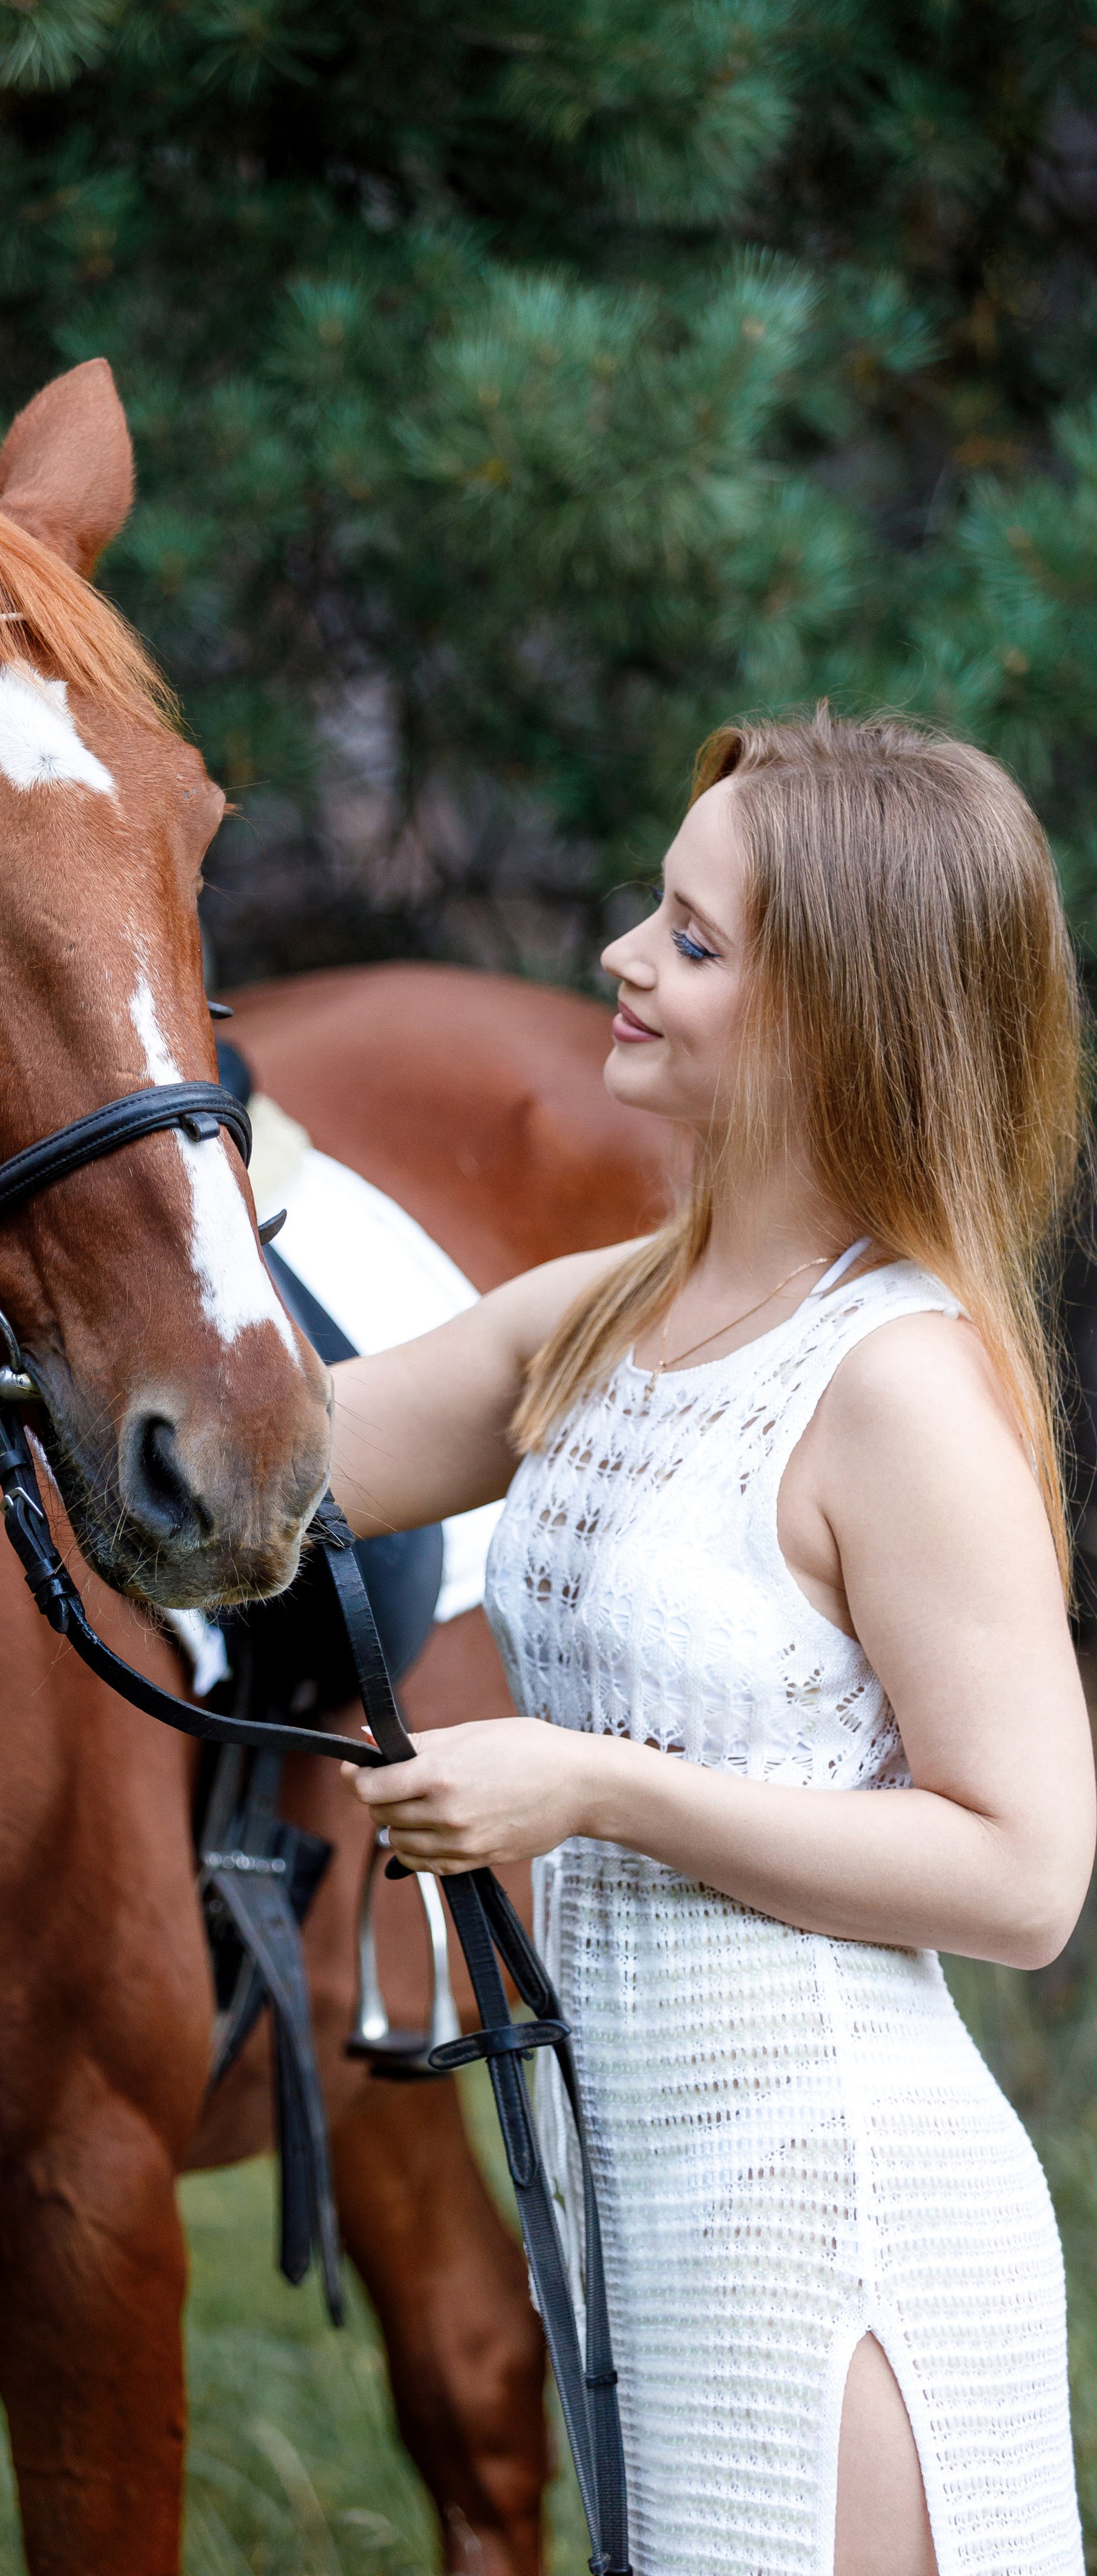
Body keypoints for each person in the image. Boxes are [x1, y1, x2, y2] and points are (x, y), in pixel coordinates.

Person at [331, 710, 1093, 2576]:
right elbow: (255, 1477)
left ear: (834, 1015)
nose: (621, 956)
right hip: (639, 2206)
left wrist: (596, 1786)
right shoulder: (608, 1312)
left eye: (692, 939)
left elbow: (1024, 1876)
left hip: (835, 2218)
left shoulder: (899, 1385)